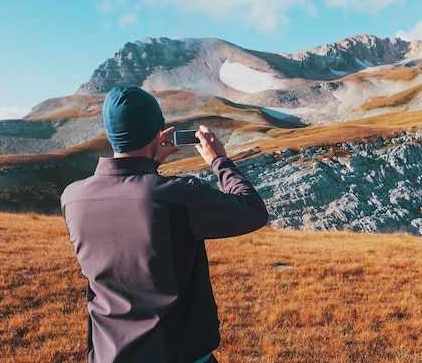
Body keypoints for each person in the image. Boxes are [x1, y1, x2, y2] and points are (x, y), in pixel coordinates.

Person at [61, 85, 269, 363]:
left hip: (107, 354)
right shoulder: (178, 195)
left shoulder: (73, 197)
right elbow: (252, 211)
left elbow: (132, 201)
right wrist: (219, 160)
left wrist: (148, 164)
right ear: (157, 134)